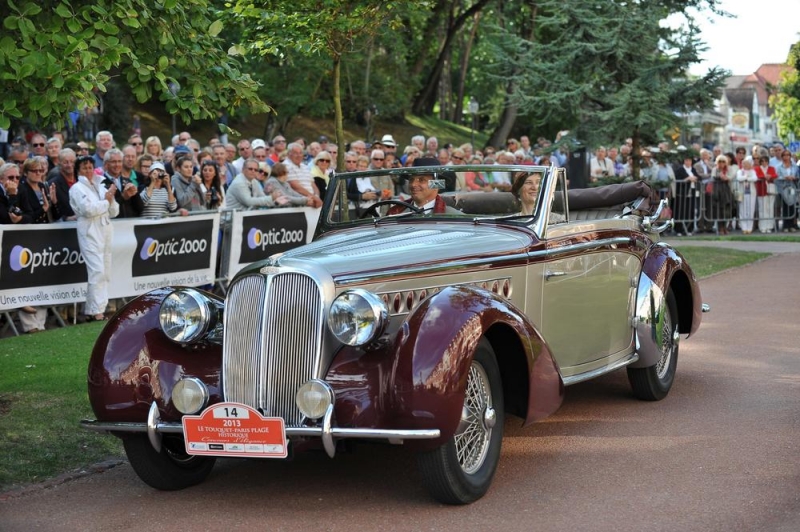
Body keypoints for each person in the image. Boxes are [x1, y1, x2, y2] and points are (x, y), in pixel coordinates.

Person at [69, 155, 118, 321]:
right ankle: (96, 311)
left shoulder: (100, 184)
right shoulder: (76, 188)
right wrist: (106, 201)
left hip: (105, 229)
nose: (88, 170)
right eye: (84, 168)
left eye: (90, 167)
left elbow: (114, 211)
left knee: (105, 270)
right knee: (96, 270)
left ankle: (97, 309)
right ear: (78, 171)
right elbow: (87, 210)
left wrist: (110, 198)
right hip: (89, 230)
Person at [386, 158, 461, 215]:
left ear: (436, 184)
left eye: (421, 180)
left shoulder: (453, 217)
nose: (413, 184)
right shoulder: (395, 213)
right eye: (411, 180)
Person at [710, 155, 735, 234]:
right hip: (717, 191)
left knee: (726, 210)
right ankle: (720, 228)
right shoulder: (715, 169)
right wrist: (720, 176)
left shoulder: (728, 169)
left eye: (723, 162)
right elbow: (713, 177)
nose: (721, 163)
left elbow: (731, 176)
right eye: (719, 161)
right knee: (719, 210)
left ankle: (725, 227)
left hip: (726, 191)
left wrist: (725, 177)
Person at [775, 149, 798, 232]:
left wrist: (794, 178)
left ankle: (792, 225)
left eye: (788, 155)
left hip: (792, 188)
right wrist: (785, 178)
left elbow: (797, 176)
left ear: (790, 156)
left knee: (792, 207)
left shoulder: (794, 166)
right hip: (783, 188)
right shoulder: (778, 166)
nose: (786, 157)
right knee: (785, 207)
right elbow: (776, 178)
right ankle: (785, 226)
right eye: (784, 155)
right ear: (782, 157)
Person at [754, 155, 778, 234]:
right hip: (761, 191)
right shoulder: (757, 168)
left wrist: (770, 176)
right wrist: (764, 176)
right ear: (760, 162)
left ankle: (769, 226)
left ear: (768, 162)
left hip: (770, 191)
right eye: (762, 161)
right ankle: (762, 226)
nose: (764, 163)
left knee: (770, 209)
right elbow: (756, 176)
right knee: (762, 209)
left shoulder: (771, 168)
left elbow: (775, 175)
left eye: (766, 161)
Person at [735, 157, 758, 234]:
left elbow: (755, 178)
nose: (745, 165)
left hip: (751, 192)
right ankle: (744, 227)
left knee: (750, 209)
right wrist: (746, 177)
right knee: (742, 210)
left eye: (746, 163)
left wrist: (746, 178)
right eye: (743, 163)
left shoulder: (752, 171)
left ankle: (749, 227)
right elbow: (739, 178)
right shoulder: (739, 171)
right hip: (742, 193)